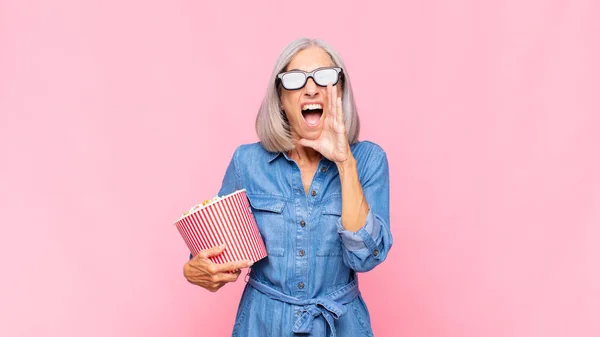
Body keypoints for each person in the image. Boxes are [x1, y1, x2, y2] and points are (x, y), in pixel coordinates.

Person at [183, 37, 392, 337]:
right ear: (280, 98)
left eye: (325, 76)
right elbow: (215, 254)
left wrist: (345, 162)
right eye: (296, 80)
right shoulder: (248, 162)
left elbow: (365, 257)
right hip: (262, 325)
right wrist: (194, 270)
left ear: (341, 90)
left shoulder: (369, 160)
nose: (311, 88)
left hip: (341, 326)